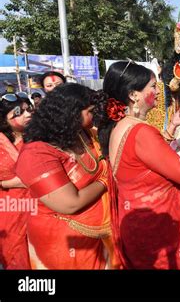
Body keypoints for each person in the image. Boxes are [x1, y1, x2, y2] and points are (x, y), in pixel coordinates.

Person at [96, 61, 180, 269]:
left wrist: (172, 127)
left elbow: (146, 161)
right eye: (153, 86)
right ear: (134, 95)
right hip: (157, 233)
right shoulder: (141, 132)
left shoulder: (123, 126)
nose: (158, 91)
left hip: (138, 225)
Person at [16, 83, 117, 269]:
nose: (93, 116)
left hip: (101, 233)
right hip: (64, 241)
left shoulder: (81, 133)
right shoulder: (37, 154)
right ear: (71, 114)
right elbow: (70, 203)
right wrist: (106, 179)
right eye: (90, 111)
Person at [0, 94, 33, 269]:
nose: (27, 115)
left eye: (29, 109)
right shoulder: (1, 141)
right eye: (19, 112)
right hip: (8, 211)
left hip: (39, 208)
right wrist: (7, 184)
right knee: (15, 257)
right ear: (5, 119)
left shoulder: (40, 138)